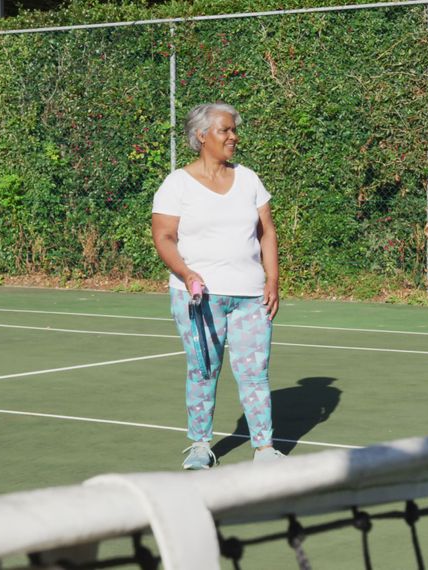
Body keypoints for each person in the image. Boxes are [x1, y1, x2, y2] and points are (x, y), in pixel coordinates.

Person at [152, 103, 283, 469]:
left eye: (234, 130)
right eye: (225, 130)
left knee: (255, 372)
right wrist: (186, 273)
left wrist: (272, 279)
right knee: (203, 370)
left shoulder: (249, 179)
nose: (233, 137)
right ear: (202, 135)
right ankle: (199, 446)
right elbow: (163, 236)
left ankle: (265, 448)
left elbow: (267, 232)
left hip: (251, 296)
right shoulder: (176, 184)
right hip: (198, 298)